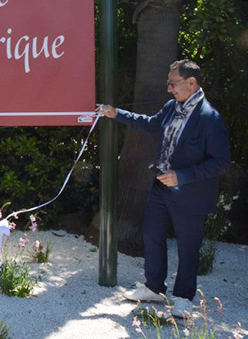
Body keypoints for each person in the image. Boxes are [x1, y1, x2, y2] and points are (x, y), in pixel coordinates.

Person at [97, 59, 231, 318]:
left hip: (191, 194)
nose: (169, 89)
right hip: (160, 187)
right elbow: (150, 124)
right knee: (152, 236)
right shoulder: (172, 107)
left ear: (191, 83)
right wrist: (116, 113)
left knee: (188, 247)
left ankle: (183, 298)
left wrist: (182, 176)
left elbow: (222, 162)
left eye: (173, 83)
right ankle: (154, 288)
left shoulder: (210, 118)